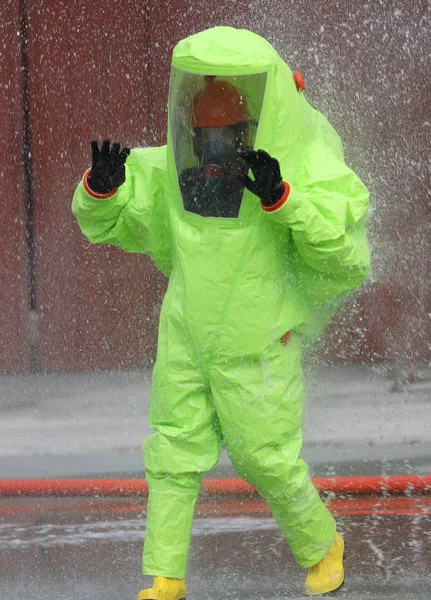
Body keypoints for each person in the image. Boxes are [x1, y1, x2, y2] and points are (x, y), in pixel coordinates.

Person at [72, 26, 370, 600]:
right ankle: (165, 578)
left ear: (248, 131)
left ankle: (322, 545)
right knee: (171, 456)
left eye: (225, 136)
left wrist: (284, 201)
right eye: (202, 136)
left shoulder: (290, 175)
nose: (211, 149)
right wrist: (101, 190)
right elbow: (111, 221)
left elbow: (339, 251)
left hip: (259, 345)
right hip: (185, 337)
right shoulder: (167, 172)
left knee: (267, 460)